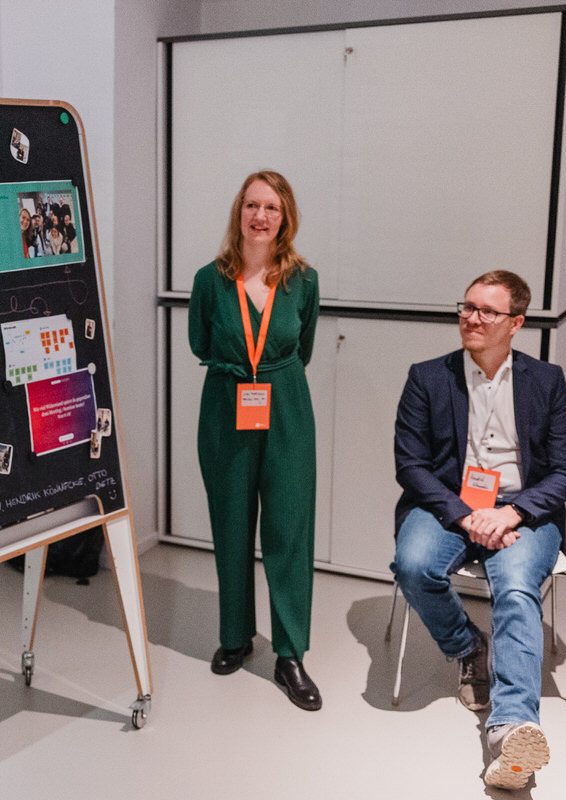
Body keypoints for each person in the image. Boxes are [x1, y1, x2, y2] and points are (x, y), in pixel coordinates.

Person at [391, 270, 566, 790]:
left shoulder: (547, 381)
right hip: (451, 504)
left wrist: (512, 514)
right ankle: (466, 648)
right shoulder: (428, 376)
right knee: (413, 565)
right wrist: (465, 514)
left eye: (486, 311)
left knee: (517, 589)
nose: (470, 318)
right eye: (467, 307)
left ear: (516, 323)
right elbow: (410, 465)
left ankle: (511, 729)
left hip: (523, 508)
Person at [188, 170, 321, 710]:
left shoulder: (303, 280)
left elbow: (303, 344)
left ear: (285, 216)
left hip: (286, 405)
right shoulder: (208, 279)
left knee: (289, 529)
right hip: (225, 405)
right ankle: (236, 637)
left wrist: (269, 372)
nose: (260, 216)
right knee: (232, 525)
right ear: (238, 213)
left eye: (271, 207)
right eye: (251, 206)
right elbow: (201, 340)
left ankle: (289, 653)